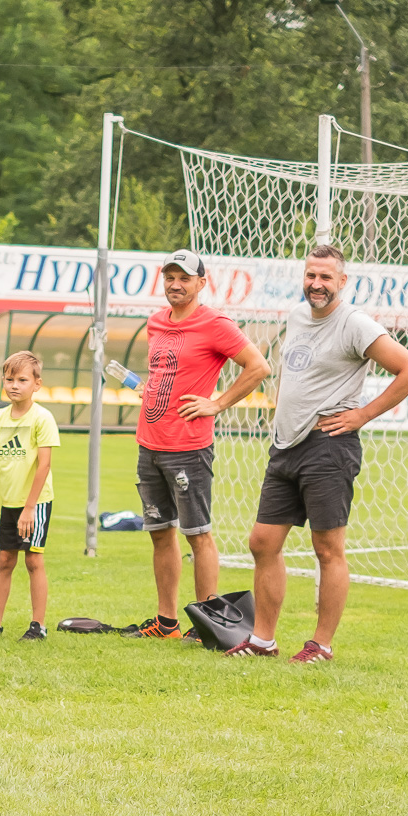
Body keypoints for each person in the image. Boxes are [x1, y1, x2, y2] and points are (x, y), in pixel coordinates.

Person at [225, 244, 408, 662]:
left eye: (326, 278)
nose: (317, 285)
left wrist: (362, 415)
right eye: (311, 276)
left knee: (327, 549)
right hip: (286, 446)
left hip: (329, 447)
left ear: (342, 282)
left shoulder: (355, 324)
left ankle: (321, 645)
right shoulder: (298, 315)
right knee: (262, 542)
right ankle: (263, 641)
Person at [123, 250, 271, 640]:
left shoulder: (216, 324)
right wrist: (151, 392)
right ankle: (167, 622)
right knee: (160, 532)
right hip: (149, 444)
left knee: (197, 534)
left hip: (188, 447)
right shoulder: (156, 322)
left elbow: (258, 367)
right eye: (170, 276)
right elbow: (167, 372)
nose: (175, 284)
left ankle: (210, 624)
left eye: (184, 278)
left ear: (201, 283)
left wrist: (217, 403)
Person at [0, 351, 60, 640]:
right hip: (8, 503)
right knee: (5, 559)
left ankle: (37, 626)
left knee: (33, 561)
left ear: (37, 384)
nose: (14, 385)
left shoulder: (42, 418)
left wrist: (29, 508)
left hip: (35, 504)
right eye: (9, 379)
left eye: (22, 380)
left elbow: (45, 464)